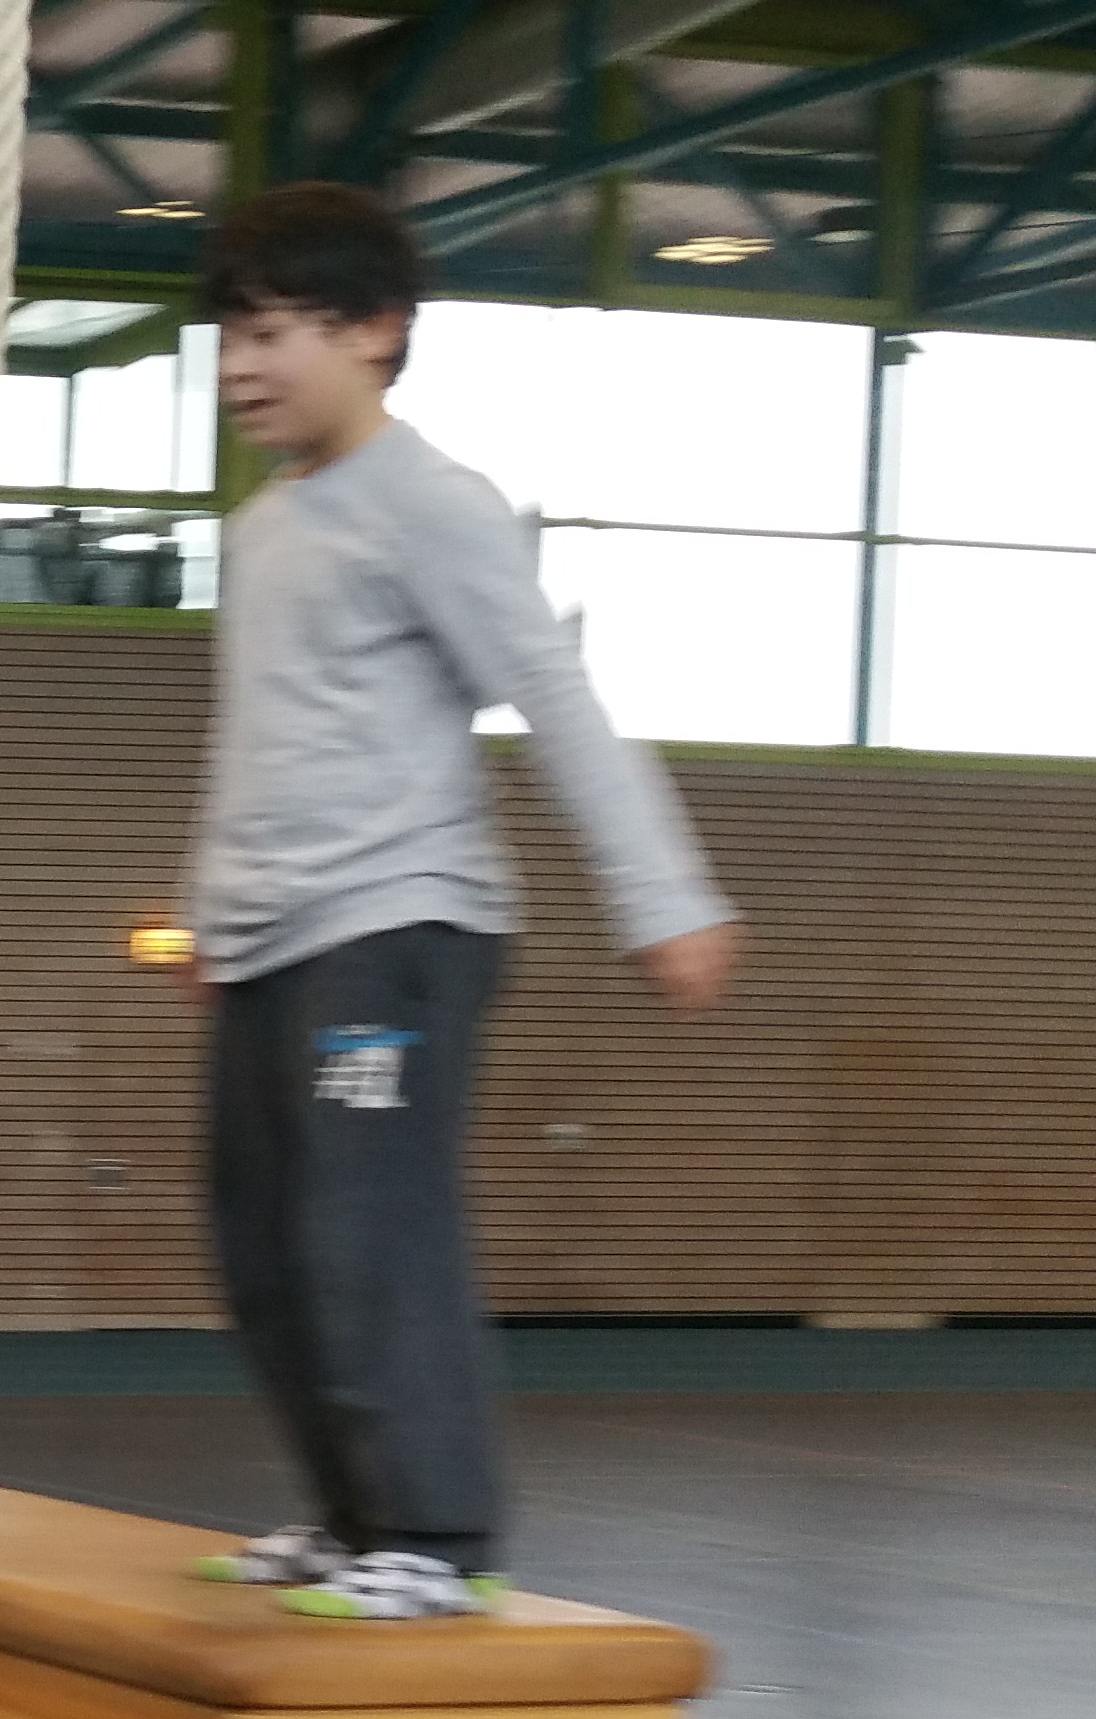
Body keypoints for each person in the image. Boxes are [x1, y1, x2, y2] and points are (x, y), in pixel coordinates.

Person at [183, 183, 743, 1621]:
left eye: (275, 334)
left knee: (366, 1229)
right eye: (231, 337)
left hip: (395, 931)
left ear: (375, 333)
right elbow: (262, 740)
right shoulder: (266, 525)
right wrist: (212, 911)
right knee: (258, 1244)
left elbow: (550, 690)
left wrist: (662, 893)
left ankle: (437, 1534)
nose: (241, 368)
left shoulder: (430, 503)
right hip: (271, 941)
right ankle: (352, 1514)